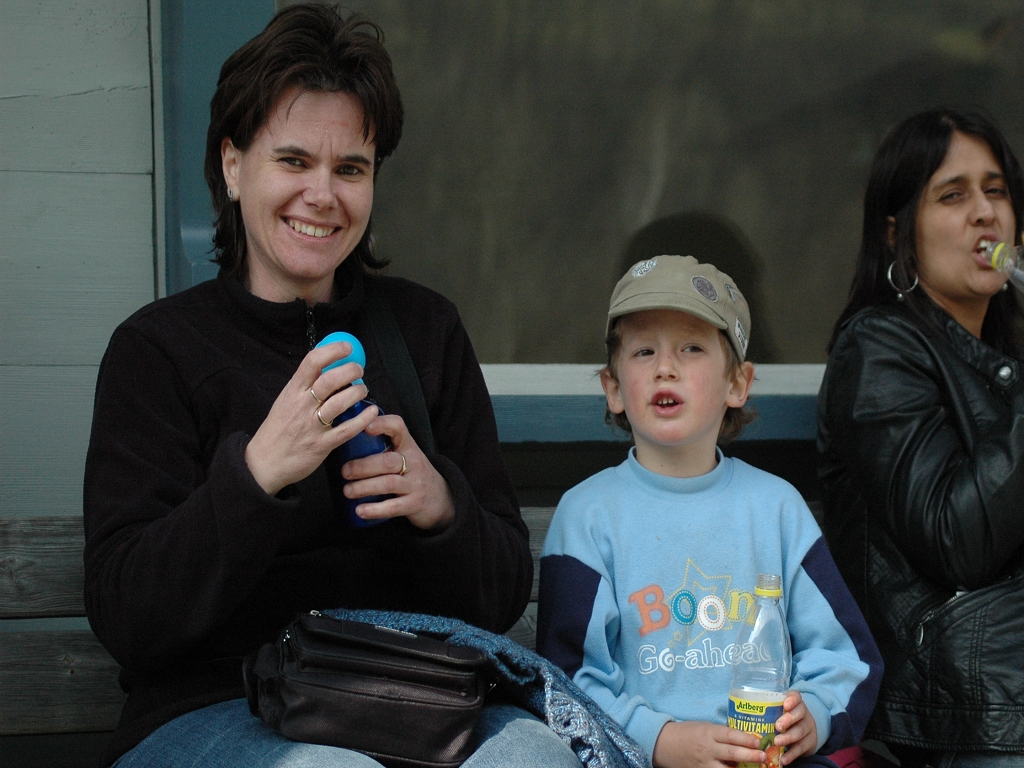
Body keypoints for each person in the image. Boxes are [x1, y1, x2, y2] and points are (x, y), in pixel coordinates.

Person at [82, 5, 581, 767]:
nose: (323, 194)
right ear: (232, 165)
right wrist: (256, 475)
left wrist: (441, 507)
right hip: (213, 707)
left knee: (537, 759)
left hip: (410, 697)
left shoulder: (425, 330)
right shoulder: (157, 351)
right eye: (293, 161)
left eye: (350, 169)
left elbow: (502, 590)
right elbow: (128, 617)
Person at [536, 255, 882, 768]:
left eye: (692, 348)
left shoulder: (776, 508)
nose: (665, 367)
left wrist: (813, 715)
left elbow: (845, 659)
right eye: (644, 351)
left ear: (737, 384)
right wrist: (661, 740)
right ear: (613, 389)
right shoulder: (587, 517)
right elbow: (565, 682)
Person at [818, 108, 1024, 768]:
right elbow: (957, 542)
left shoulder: (1007, 362)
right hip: (964, 706)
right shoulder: (877, 351)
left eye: (996, 190)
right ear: (896, 233)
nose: (984, 213)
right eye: (953, 195)